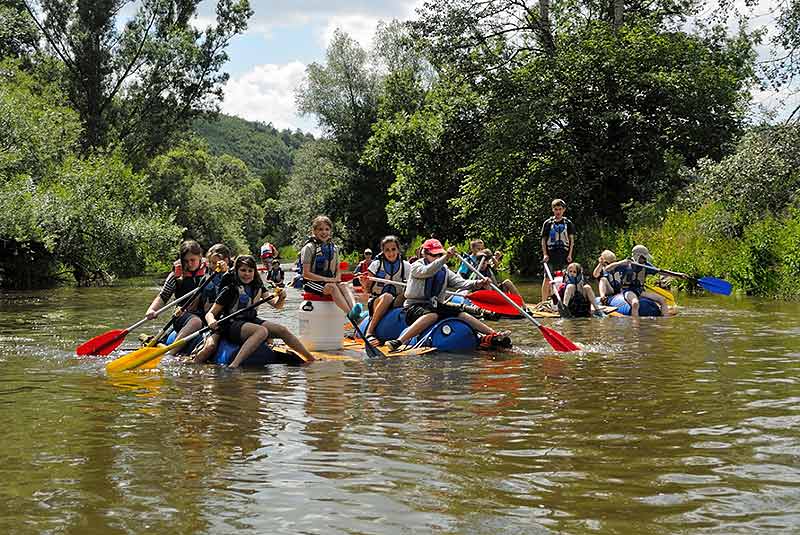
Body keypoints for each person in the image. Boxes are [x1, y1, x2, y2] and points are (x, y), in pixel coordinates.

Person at [384, 239, 511, 351]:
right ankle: (399, 341)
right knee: (432, 315)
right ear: (425, 254)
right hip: (414, 306)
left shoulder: (444, 269)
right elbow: (428, 271)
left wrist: (478, 282)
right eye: (434, 255)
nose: (438, 257)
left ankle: (494, 335)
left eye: (440, 254)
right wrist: (445, 258)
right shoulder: (416, 266)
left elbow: (460, 282)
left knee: (461, 313)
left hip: (435, 305)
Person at [203, 255, 313, 368]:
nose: (247, 274)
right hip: (231, 324)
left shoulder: (258, 286)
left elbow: (277, 306)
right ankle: (234, 364)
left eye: (250, 270)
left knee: (282, 330)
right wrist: (211, 321)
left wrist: (281, 298)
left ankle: (310, 358)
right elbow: (210, 313)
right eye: (243, 270)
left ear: (255, 272)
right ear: (236, 271)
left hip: (250, 320)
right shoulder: (230, 289)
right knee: (261, 331)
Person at [145, 240, 207, 353]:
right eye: (186, 261)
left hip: (207, 313)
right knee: (196, 322)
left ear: (200, 257)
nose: (189, 264)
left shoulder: (211, 271)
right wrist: (152, 310)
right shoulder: (176, 275)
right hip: (182, 315)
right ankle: (171, 353)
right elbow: (163, 296)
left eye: (193, 260)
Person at [300, 215, 357, 316]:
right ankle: (351, 315)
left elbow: (338, 268)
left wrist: (337, 278)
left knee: (344, 285)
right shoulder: (309, 248)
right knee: (333, 287)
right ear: (314, 231)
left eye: (327, 229)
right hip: (311, 283)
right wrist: (329, 280)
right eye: (320, 229)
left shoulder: (334, 248)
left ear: (330, 231)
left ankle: (355, 310)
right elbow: (306, 274)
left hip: (329, 281)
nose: (324, 232)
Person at [360, 236, 412, 346]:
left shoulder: (406, 266)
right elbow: (367, 290)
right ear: (383, 251)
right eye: (387, 250)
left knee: (407, 294)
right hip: (376, 301)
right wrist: (364, 284)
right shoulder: (376, 265)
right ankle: (369, 332)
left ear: (398, 250)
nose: (391, 253)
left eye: (393, 249)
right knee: (387, 296)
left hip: (396, 302)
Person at [188, 244, 232, 363]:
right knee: (210, 346)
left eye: (215, 263)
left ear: (226, 261)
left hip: (224, 319)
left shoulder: (233, 276)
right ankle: (192, 363)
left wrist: (226, 271)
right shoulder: (206, 278)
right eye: (210, 263)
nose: (212, 266)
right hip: (208, 321)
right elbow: (194, 303)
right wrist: (185, 312)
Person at [604, 245, 671, 317]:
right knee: (635, 303)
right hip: (628, 290)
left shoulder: (646, 265)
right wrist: (620, 263)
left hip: (640, 291)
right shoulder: (625, 265)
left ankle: (665, 321)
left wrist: (677, 275)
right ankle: (635, 325)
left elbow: (659, 271)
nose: (645, 260)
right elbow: (607, 269)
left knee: (663, 300)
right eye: (644, 258)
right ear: (638, 256)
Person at [541, 199, 576, 302]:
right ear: (553, 210)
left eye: (560, 209)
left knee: (567, 278)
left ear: (564, 210)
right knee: (547, 278)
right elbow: (543, 240)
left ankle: (566, 301)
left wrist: (570, 254)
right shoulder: (548, 223)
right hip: (551, 254)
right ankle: (543, 301)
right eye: (556, 209)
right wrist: (545, 254)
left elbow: (571, 240)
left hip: (564, 253)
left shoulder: (568, 223)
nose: (558, 212)